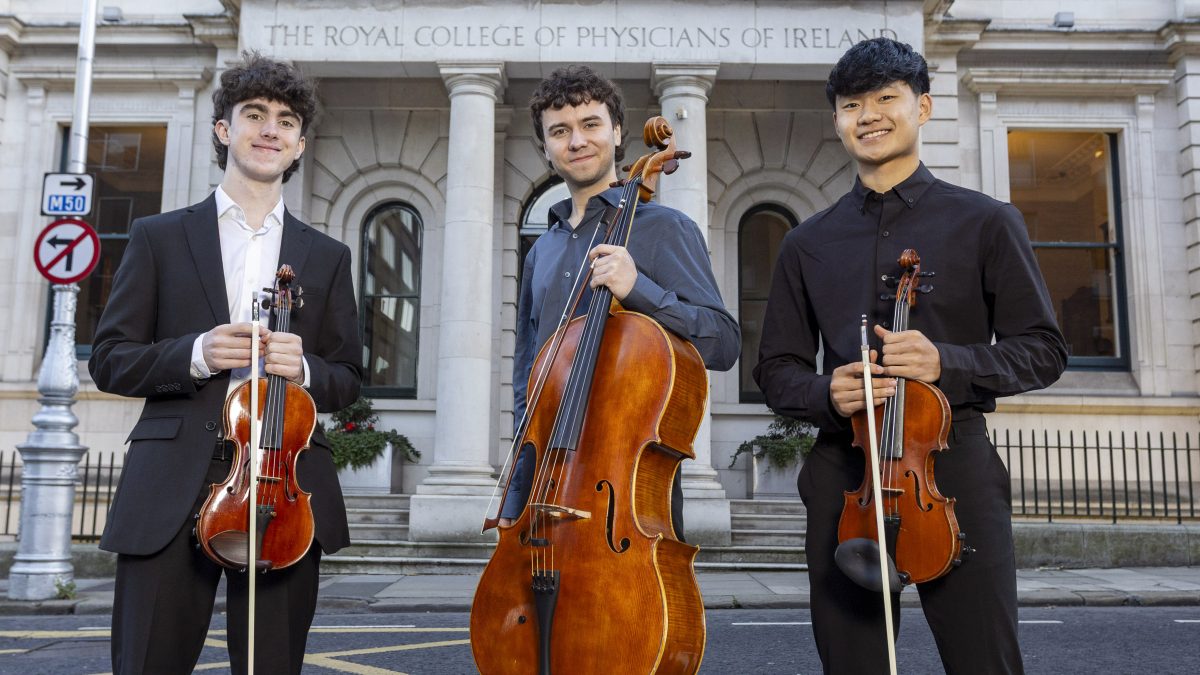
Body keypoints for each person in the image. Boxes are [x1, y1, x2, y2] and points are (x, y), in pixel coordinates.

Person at [753, 38, 1068, 674]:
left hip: (953, 471)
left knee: (984, 660)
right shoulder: (806, 242)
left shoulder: (987, 222)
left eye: (885, 98)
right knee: (855, 664)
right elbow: (775, 371)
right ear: (837, 121)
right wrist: (825, 392)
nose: (868, 116)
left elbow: (1044, 350)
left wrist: (946, 363)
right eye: (851, 105)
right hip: (847, 475)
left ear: (922, 107)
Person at [89, 53, 362, 675]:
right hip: (172, 481)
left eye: (286, 121)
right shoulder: (159, 236)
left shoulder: (328, 256)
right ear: (223, 129)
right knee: (147, 662)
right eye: (255, 115)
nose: (271, 130)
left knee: (271, 666)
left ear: (299, 145)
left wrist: (305, 370)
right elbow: (109, 359)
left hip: (284, 489)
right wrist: (196, 353)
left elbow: (347, 378)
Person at [497, 65, 740, 537]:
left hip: (629, 491)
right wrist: (517, 486)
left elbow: (723, 343)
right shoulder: (542, 249)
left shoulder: (665, 228)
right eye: (559, 131)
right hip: (547, 484)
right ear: (545, 147)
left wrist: (638, 289)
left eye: (590, 124)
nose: (577, 141)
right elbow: (530, 381)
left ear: (616, 131)